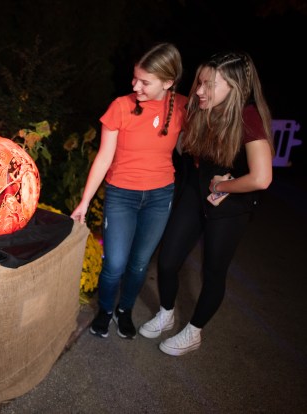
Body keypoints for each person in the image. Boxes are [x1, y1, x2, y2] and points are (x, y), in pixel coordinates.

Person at [138, 51, 274, 356]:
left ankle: (193, 332)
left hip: (230, 204)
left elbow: (262, 178)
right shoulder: (203, 108)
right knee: (169, 259)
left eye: (209, 85)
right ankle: (166, 311)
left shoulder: (247, 116)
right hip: (195, 191)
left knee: (213, 272)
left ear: (236, 87)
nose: (199, 91)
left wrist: (222, 185)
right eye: (200, 82)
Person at [71, 43, 187, 339]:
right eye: (134, 78)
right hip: (122, 195)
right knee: (116, 265)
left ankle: (125, 310)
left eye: (145, 82)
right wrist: (85, 201)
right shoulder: (121, 106)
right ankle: (106, 309)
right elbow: (103, 157)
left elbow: (190, 147)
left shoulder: (184, 107)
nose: (135, 86)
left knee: (137, 266)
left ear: (168, 82)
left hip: (160, 197)